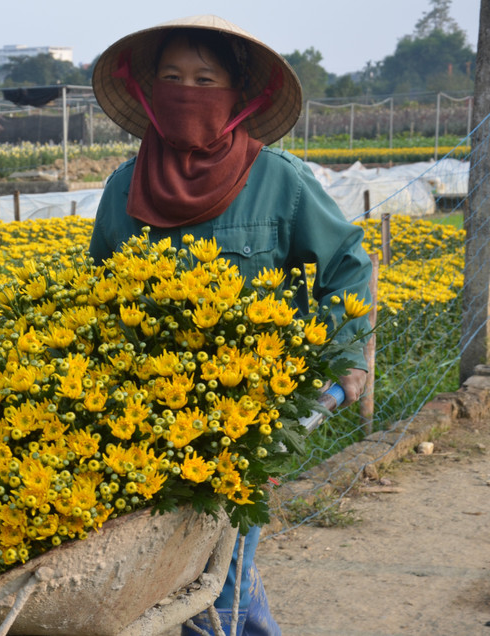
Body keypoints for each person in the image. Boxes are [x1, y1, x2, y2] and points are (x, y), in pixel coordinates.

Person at [88, 15, 373, 636]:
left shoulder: (278, 180)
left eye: (204, 78)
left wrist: (342, 364)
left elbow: (348, 266)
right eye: (172, 77)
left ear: (240, 96)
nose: (186, 91)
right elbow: (97, 301)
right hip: (146, 425)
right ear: (148, 93)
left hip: (246, 422)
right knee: (179, 586)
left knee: (221, 586)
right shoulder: (122, 189)